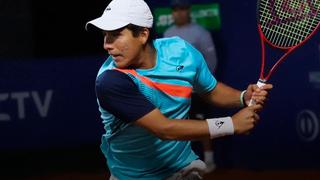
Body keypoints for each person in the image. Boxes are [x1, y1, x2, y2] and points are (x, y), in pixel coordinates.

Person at [86, 0, 272, 179]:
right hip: (134, 176)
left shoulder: (181, 51)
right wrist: (231, 124)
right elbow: (164, 129)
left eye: (116, 34)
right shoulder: (110, 80)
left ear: (143, 34)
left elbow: (211, 91)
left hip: (182, 170)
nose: (106, 44)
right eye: (105, 35)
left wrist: (242, 96)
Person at [164, 0, 219, 172]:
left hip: (198, 90)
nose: (179, 13)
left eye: (182, 9)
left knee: (202, 123)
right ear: (172, 12)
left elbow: (211, 60)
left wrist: (200, 81)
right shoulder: (168, 33)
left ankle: (209, 161)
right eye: (175, 9)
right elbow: (166, 62)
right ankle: (182, 162)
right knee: (178, 125)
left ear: (188, 11)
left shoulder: (200, 32)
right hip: (176, 91)